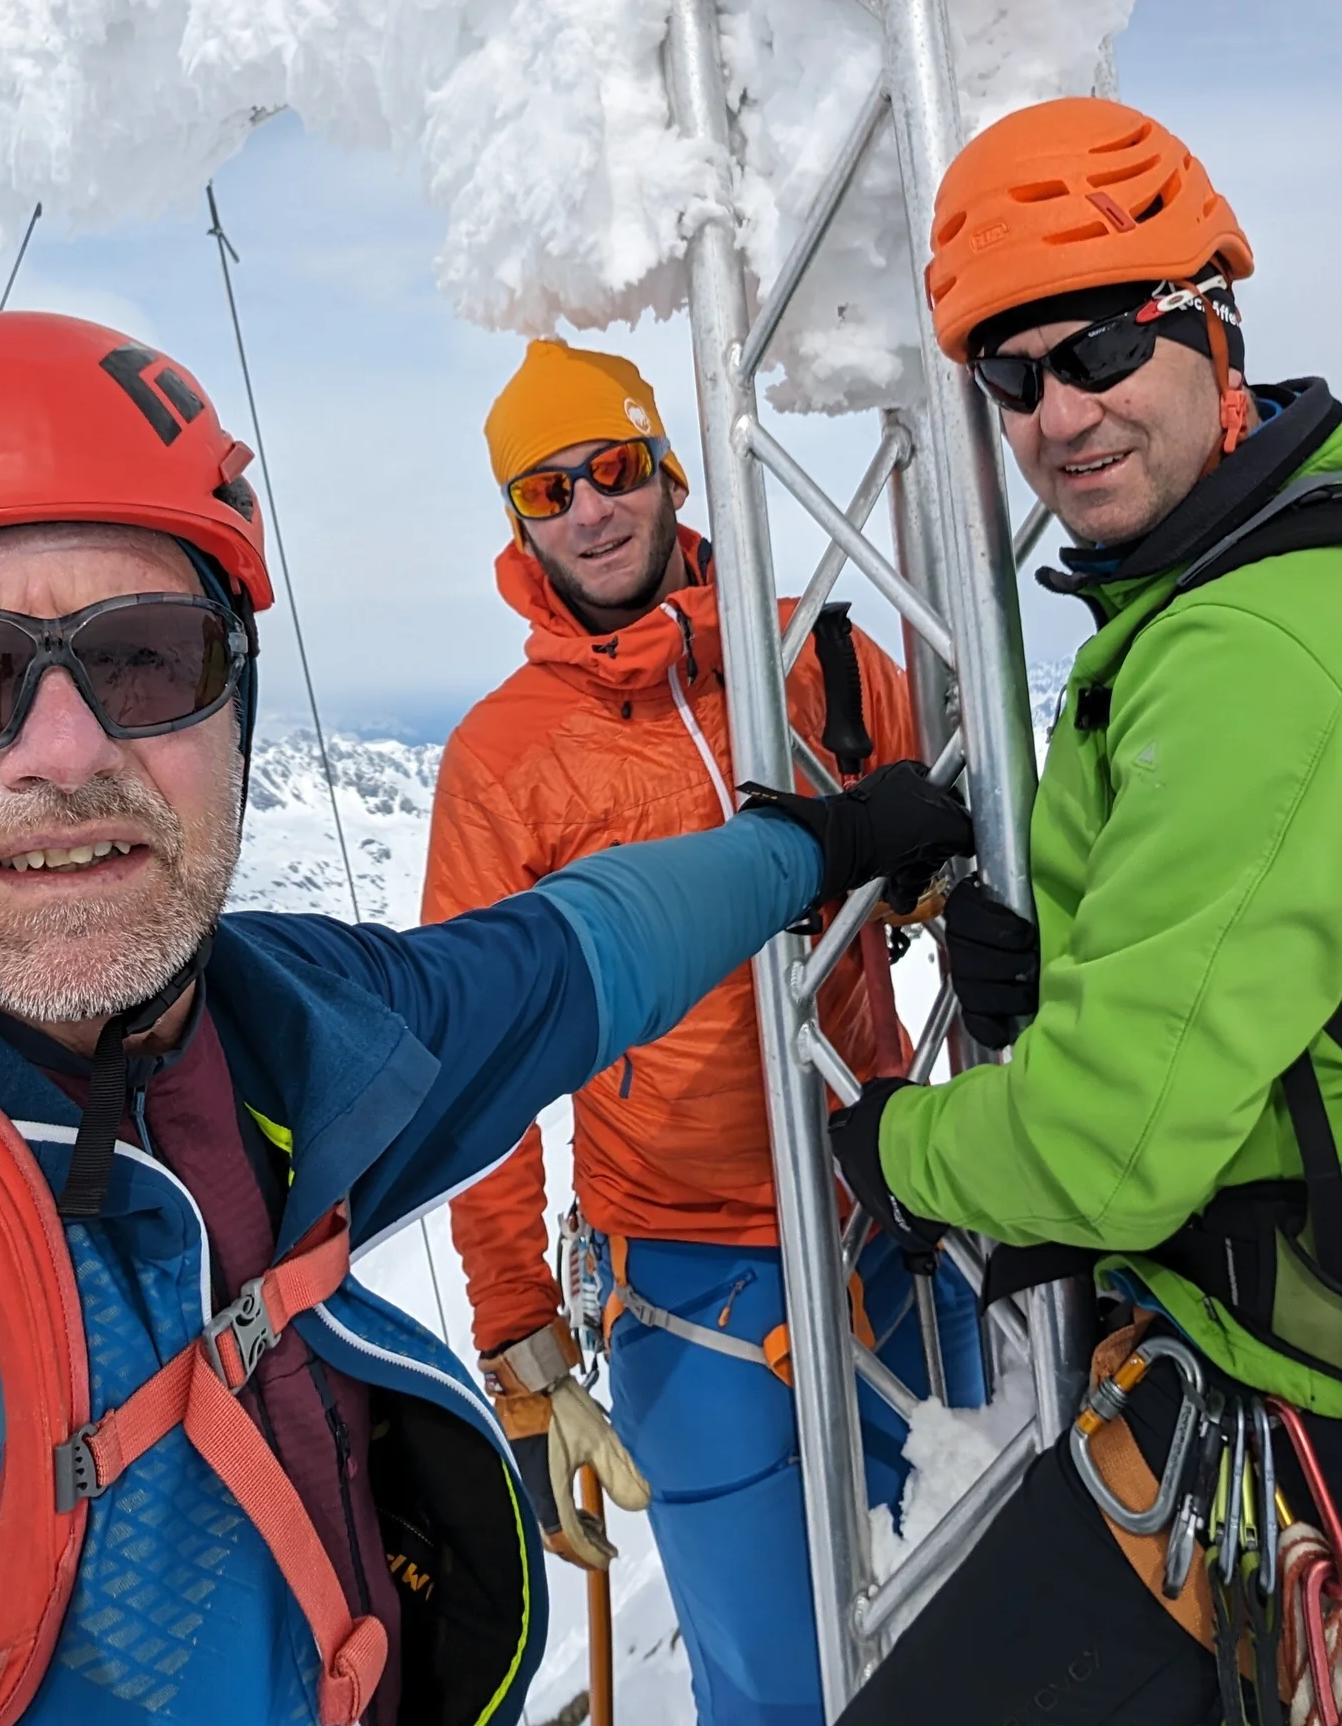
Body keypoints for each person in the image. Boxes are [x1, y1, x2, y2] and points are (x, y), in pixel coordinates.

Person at [0, 309, 975, 1726]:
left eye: (145, 657)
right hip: (691, 1276)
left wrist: (818, 845)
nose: (66, 750)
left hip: (880, 1225)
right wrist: (524, 1335)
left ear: (233, 708)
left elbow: (577, 955)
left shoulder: (281, 1036)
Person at [829, 100, 1342, 1724]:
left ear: (1215, 329)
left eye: (1106, 347)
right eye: (1013, 375)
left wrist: (897, 1153)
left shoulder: (1256, 652)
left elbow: (1109, 1157)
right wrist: (1084, 963)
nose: (1060, 413)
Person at [423, 337, 986, 1726]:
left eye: (613, 468)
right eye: (547, 493)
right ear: (518, 528)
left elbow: (972, 843)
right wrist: (518, 1333)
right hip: (688, 1276)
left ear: (669, 467)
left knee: (975, 1607)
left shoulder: (818, 659)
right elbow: (482, 1061)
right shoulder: (506, 755)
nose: (591, 511)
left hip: (891, 1196)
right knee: (781, 1684)